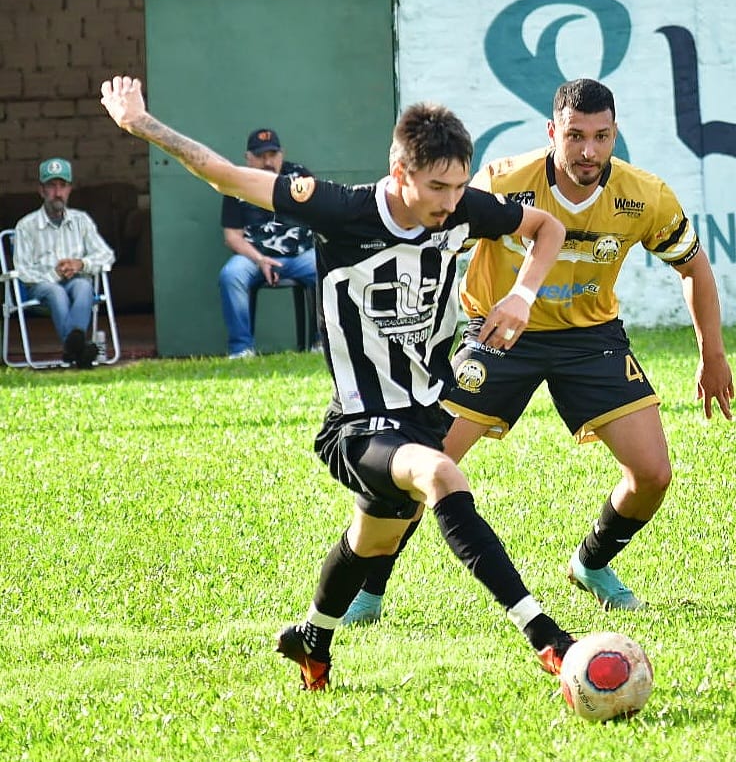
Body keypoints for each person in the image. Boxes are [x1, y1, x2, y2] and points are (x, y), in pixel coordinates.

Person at [99, 74, 576, 691]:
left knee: (372, 540)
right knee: (441, 476)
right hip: (360, 422)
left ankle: (313, 637)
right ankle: (548, 638)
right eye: (438, 187)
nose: (451, 201)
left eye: (460, 186)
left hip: (425, 411)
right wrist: (141, 124)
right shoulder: (340, 209)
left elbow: (548, 229)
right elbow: (225, 175)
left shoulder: (464, 209)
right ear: (400, 172)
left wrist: (521, 295)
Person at [341, 77, 735, 625]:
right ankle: (367, 592)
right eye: (576, 136)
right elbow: (436, 247)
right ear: (553, 132)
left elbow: (693, 266)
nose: (589, 150)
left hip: (590, 339)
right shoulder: (504, 182)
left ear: (615, 133)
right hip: (497, 335)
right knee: (423, 465)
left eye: (601, 136)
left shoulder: (644, 195)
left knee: (653, 474)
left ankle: (591, 564)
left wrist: (712, 355)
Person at [219, 128, 317, 358]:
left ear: (282, 154)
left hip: (300, 255)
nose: (268, 162)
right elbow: (232, 236)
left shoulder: (299, 176)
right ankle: (241, 349)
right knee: (231, 275)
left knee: (327, 269)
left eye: (273, 155)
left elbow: (320, 214)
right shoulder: (236, 183)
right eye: (260, 156)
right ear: (248, 158)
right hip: (254, 257)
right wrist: (260, 259)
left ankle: (322, 343)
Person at [11, 157, 116, 368]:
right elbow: (22, 270)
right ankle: (79, 350)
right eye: (51, 186)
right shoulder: (26, 225)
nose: (57, 192)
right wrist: (55, 274)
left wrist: (81, 264)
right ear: (41, 191)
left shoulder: (81, 220)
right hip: (41, 287)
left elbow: (106, 255)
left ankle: (73, 350)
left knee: (84, 286)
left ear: (69, 189)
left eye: (63, 185)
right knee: (56, 291)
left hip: (74, 281)